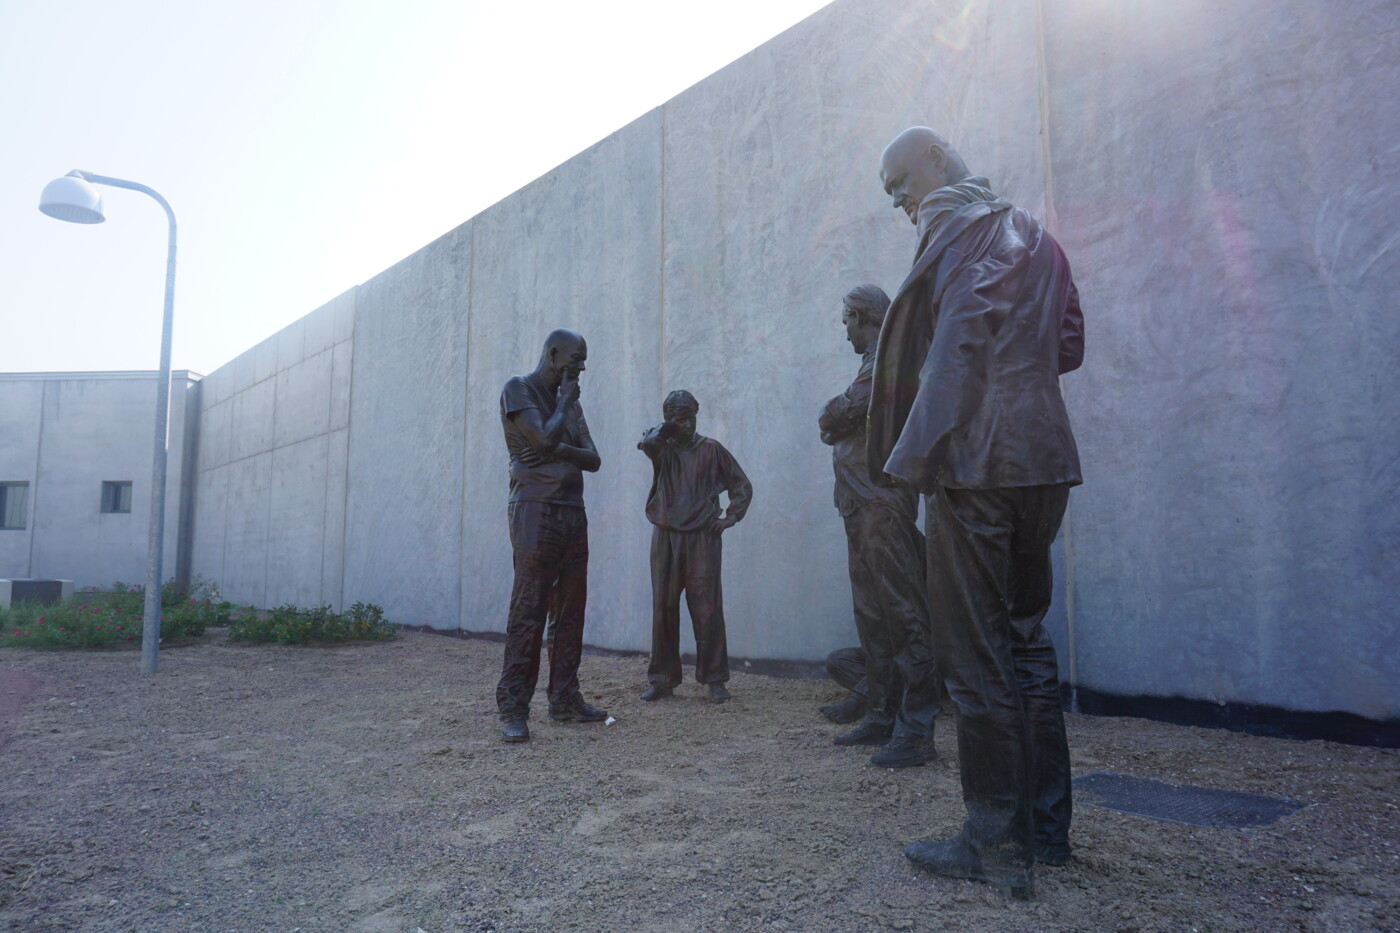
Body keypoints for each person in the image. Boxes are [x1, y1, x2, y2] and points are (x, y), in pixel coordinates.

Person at [868, 127, 1085, 895]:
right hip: (1043, 459)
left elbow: (959, 340)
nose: (897, 199)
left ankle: (994, 844)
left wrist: (911, 457)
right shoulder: (1039, 236)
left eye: (899, 181)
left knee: (977, 654)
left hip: (978, 463)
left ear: (936, 157)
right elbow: (1069, 344)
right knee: (1025, 642)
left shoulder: (962, 230)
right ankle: (1046, 830)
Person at [819, 284, 942, 768]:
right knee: (872, 616)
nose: (842, 328)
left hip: (881, 503)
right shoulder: (870, 363)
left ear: (860, 315)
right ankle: (882, 713)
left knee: (904, 616)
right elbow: (838, 420)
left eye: (844, 318)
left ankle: (915, 730)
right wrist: (836, 417)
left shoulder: (889, 358)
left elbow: (841, 412)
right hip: (857, 505)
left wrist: (834, 414)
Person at [495, 328, 609, 743]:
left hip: (571, 512)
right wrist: (560, 415)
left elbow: (593, 459)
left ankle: (564, 698)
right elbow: (541, 437)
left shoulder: (572, 406)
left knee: (570, 609)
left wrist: (556, 447)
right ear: (554, 353)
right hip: (534, 510)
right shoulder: (518, 389)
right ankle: (512, 707)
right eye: (576, 358)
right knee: (529, 609)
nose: (582, 366)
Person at [637, 390, 752, 704]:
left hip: (702, 536)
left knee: (707, 609)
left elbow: (741, 485)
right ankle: (662, 680)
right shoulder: (663, 450)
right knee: (663, 608)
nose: (687, 425)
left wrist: (730, 517)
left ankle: (715, 678)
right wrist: (667, 428)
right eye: (680, 419)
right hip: (666, 537)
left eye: (691, 418)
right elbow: (647, 443)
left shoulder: (712, 450)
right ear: (670, 422)